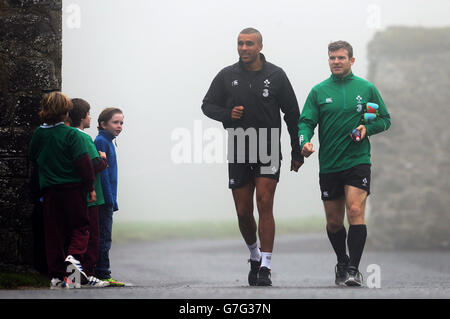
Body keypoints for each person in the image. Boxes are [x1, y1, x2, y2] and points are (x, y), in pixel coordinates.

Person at [201, 28, 303, 286]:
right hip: (239, 147)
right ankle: (255, 256)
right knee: (243, 211)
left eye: (249, 44)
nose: (244, 48)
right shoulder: (227, 75)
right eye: (240, 44)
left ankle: (266, 268)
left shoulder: (276, 75)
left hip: (267, 148)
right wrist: (227, 114)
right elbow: (207, 105)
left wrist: (296, 151)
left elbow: (292, 114)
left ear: (259, 46)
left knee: (264, 204)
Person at [298, 41, 391, 286]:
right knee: (334, 221)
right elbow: (305, 122)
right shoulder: (319, 91)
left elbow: (383, 120)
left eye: (341, 57)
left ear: (352, 60)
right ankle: (342, 260)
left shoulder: (366, 89)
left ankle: (353, 270)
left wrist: (366, 128)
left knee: (356, 211)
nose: (336, 61)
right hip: (329, 164)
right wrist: (304, 141)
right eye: (332, 58)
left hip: (357, 161)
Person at [29, 92, 96, 289]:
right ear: (66, 111)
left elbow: (33, 157)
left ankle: (57, 276)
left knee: (54, 234)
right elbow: (84, 164)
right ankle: (73, 257)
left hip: (49, 191)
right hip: (73, 189)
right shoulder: (72, 134)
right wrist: (90, 187)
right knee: (81, 226)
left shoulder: (39, 134)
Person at [68, 98, 110, 288]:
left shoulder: (69, 135)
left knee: (75, 235)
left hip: (74, 193)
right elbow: (93, 163)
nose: (90, 116)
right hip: (90, 196)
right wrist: (102, 158)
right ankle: (87, 274)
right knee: (90, 237)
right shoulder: (84, 138)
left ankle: (73, 277)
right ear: (83, 116)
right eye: (89, 113)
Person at [94, 107, 125, 287]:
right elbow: (103, 175)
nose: (120, 126)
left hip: (109, 197)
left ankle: (102, 272)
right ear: (102, 124)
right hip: (104, 199)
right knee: (103, 236)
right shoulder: (101, 142)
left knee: (105, 235)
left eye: (121, 123)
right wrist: (109, 199)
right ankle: (102, 273)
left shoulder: (109, 141)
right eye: (115, 122)